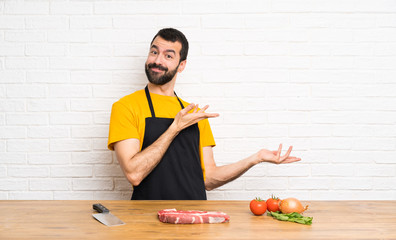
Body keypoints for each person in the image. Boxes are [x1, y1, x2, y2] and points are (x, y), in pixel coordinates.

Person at [107, 28, 301, 200]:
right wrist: (175, 127)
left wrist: (255, 158)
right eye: (154, 52)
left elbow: (208, 178)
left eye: (168, 56)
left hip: (195, 219)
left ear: (181, 65)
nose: (157, 60)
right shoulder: (126, 107)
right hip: (146, 221)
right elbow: (134, 174)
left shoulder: (195, 114)